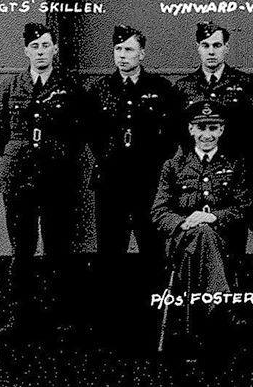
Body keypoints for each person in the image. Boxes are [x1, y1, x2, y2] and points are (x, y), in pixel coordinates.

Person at [0, 22, 84, 336]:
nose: (41, 52)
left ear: (55, 48)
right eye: (35, 47)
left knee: (59, 248)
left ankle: (61, 318)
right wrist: (20, 158)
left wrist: (56, 158)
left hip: (56, 178)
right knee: (22, 249)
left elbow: (77, 134)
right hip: (19, 178)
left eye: (46, 45)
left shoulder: (70, 86)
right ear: (26, 50)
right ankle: (20, 316)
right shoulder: (10, 85)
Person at [86, 25, 177, 321]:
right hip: (110, 181)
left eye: (128, 49)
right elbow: (92, 133)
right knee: (110, 250)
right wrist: (110, 158)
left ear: (142, 53)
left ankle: (150, 315)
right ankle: (113, 316)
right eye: (118, 50)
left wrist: (151, 161)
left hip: (148, 182)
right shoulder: (100, 89)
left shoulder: (160, 89)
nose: (122, 56)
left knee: (152, 249)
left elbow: (171, 135)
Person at [151, 100, 252, 345]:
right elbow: (159, 211)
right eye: (201, 128)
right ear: (191, 130)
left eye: (213, 128)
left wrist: (212, 217)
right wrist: (185, 222)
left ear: (222, 130)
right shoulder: (174, 166)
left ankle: (203, 319)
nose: (207, 135)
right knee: (201, 234)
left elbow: (244, 208)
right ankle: (220, 304)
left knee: (205, 232)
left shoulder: (234, 165)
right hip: (181, 241)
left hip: (224, 242)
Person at [173, 21, 253, 159]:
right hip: (196, 167)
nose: (211, 52)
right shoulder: (183, 87)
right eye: (205, 45)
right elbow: (176, 131)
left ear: (226, 47)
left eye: (217, 45)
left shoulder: (246, 84)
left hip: (236, 165)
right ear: (198, 48)